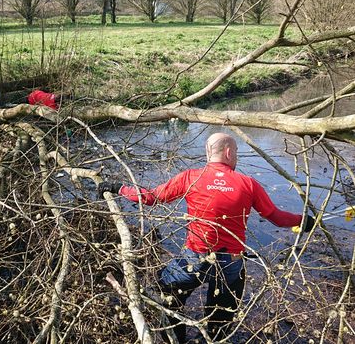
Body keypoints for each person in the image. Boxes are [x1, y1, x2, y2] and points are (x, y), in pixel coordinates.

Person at [98, 132, 315, 342]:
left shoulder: (191, 177)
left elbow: (151, 198)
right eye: (236, 152)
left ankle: (176, 338)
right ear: (229, 152)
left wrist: (118, 187)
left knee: (167, 296)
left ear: (208, 151)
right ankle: (216, 337)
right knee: (221, 319)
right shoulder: (248, 183)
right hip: (232, 262)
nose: (236, 156)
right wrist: (303, 220)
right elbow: (275, 217)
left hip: (195, 258)